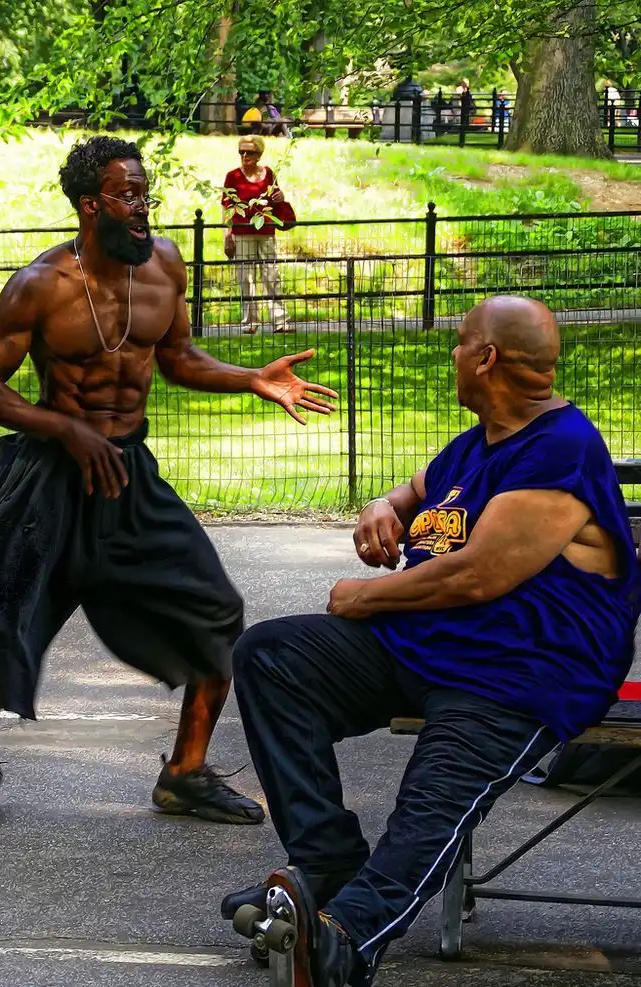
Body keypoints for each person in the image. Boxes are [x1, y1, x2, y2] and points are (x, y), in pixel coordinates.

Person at [222, 295, 641, 986]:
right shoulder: (478, 443)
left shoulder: (560, 448)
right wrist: (380, 507)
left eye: (460, 342)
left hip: (518, 672)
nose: (452, 353)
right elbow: (411, 491)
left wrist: (363, 595)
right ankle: (326, 860)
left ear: (486, 358)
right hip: (424, 647)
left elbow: (479, 574)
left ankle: (343, 942)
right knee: (272, 657)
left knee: (432, 799)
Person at [0, 136, 338, 829]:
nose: (142, 206)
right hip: (52, 472)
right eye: (127, 195)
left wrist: (251, 379)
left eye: (144, 192)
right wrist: (65, 429)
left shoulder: (164, 266)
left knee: (216, 611)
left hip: (127, 471)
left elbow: (180, 358)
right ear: (90, 204)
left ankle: (185, 772)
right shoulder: (41, 284)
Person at [222, 136, 293, 335]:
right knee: (246, 278)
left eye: (250, 152)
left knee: (271, 275)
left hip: (266, 231)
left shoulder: (269, 173)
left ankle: (280, 321)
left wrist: (281, 197)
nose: (245, 155)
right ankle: (250, 321)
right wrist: (227, 235)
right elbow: (227, 207)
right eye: (241, 151)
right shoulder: (232, 176)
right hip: (242, 232)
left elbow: (276, 197)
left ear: (259, 154)